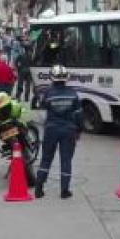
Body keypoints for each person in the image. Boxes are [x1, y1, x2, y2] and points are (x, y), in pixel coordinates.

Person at [35, 65, 81, 200]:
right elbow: (78, 115)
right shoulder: (73, 93)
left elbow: (43, 108)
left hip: (51, 129)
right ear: (66, 79)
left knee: (46, 159)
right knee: (66, 160)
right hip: (69, 130)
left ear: (52, 79)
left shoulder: (48, 93)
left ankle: (39, 189)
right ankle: (64, 191)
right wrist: (79, 130)